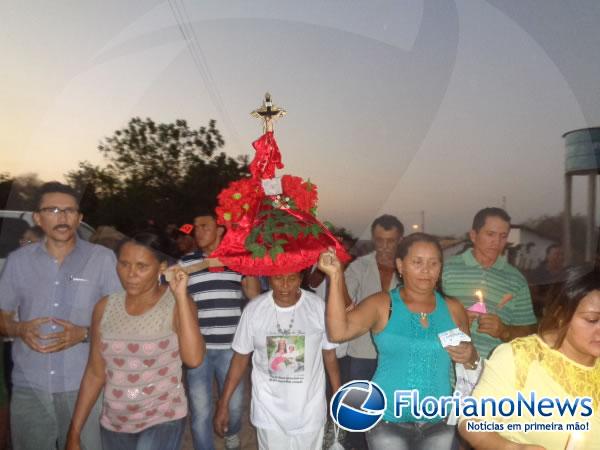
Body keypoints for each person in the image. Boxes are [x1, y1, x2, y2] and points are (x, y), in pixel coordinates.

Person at [319, 233, 479, 450]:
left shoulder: (453, 309)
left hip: (438, 420)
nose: (426, 269)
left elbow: (469, 364)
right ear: (400, 265)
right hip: (387, 420)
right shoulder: (382, 304)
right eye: (417, 262)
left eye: (433, 263)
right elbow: (338, 332)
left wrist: (470, 356)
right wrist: (336, 276)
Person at [0, 181, 122, 450]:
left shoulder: (102, 259)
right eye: (53, 210)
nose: (63, 217)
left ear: (79, 218)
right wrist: (19, 329)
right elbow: (2, 317)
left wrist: (85, 333)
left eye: (69, 211)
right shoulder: (18, 261)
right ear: (37, 218)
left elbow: (121, 318)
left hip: (84, 385)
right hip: (30, 386)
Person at [66, 233, 205, 450]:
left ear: (161, 267)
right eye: (124, 264)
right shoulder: (104, 307)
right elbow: (95, 372)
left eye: (142, 266)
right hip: (115, 422)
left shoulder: (177, 304)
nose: (130, 274)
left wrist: (180, 297)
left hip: (163, 417)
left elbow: (194, 359)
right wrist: (74, 431)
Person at [458, 264, 600, 450]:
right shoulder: (520, 357)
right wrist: (514, 448)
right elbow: (471, 422)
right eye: (592, 320)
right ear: (560, 314)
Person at [214, 271, 341, 450]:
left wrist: (338, 396)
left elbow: (330, 356)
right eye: (278, 278)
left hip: (309, 411)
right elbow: (239, 359)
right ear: (268, 278)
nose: (285, 285)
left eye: (292, 278)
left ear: (301, 279)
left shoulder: (318, 307)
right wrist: (223, 403)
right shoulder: (254, 309)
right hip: (268, 412)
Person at [180, 210, 260, 450]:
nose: (198, 231)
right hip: (198, 349)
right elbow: (168, 284)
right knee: (200, 410)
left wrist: (248, 266)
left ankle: (233, 431)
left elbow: (254, 297)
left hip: (231, 347)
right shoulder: (186, 262)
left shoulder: (238, 261)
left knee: (234, 405)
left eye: (205, 226)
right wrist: (206, 263)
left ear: (221, 230)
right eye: (196, 226)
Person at [341, 214, 403, 449]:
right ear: (373, 239)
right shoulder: (360, 266)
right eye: (380, 240)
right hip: (363, 351)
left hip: (398, 353)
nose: (385, 247)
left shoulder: (409, 266)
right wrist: (338, 276)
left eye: (391, 241)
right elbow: (346, 302)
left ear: (400, 240)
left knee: (393, 411)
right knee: (358, 412)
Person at [442, 207, 537, 359]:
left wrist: (504, 331)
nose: (496, 242)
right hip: (447, 366)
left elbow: (529, 335)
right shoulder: (446, 269)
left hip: (493, 371)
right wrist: (459, 321)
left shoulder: (516, 280)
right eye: (490, 234)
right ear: (473, 235)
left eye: (503, 236)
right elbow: (424, 318)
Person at [529, 243, 565, 319]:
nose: (560, 257)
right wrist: (548, 302)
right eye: (556, 254)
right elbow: (531, 296)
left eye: (562, 254)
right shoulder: (537, 273)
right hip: (540, 314)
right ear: (547, 256)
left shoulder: (566, 273)